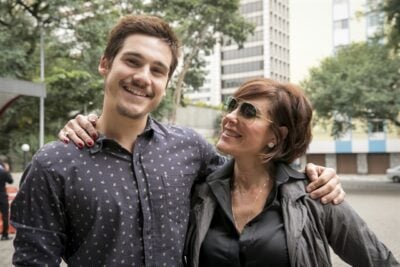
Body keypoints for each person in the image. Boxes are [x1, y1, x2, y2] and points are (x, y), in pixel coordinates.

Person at [11, 15, 343, 266]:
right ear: (105, 64)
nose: (143, 77)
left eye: (157, 70)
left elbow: (253, 172)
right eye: (132, 61)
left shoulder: (191, 148)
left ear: (166, 83)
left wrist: (313, 174)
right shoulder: (53, 163)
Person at [182, 78, 399, 267]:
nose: (230, 116)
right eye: (232, 106)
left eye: (248, 112)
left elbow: (379, 260)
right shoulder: (202, 191)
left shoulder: (315, 193)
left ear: (276, 136)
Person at [0, 155, 13, 241]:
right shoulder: (3, 172)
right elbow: (11, 181)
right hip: (2, 196)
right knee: (5, 215)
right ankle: (5, 235)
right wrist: (7, 171)